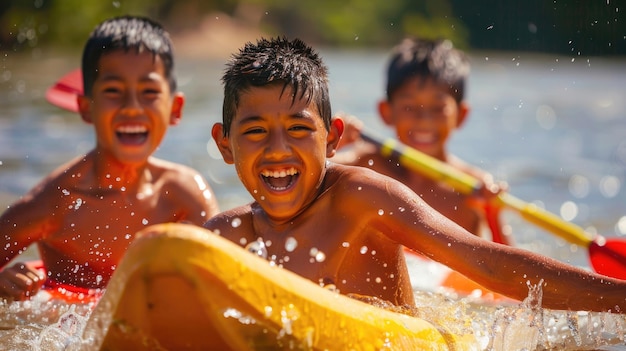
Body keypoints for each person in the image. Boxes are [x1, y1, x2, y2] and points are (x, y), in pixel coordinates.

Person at [205, 36, 626, 312]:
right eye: (256, 132)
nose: (278, 150)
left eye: (299, 129)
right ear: (225, 145)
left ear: (331, 141)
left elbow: (490, 265)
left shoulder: (365, 195)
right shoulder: (226, 235)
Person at [0, 16, 220, 301]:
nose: (132, 107)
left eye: (149, 92)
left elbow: (219, 279)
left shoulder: (183, 196)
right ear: (85, 108)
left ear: (175, 108)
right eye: (113, 91)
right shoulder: (55, 203)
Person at [334, 37, 511, 245]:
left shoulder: (473, 188)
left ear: (461, 115)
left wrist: (493, 216)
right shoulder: (365, 162)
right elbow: (313, 174)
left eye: (438, 109)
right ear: (386, 112)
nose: (424, 120)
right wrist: (333, 144)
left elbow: (508, 268)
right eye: (409, 107)